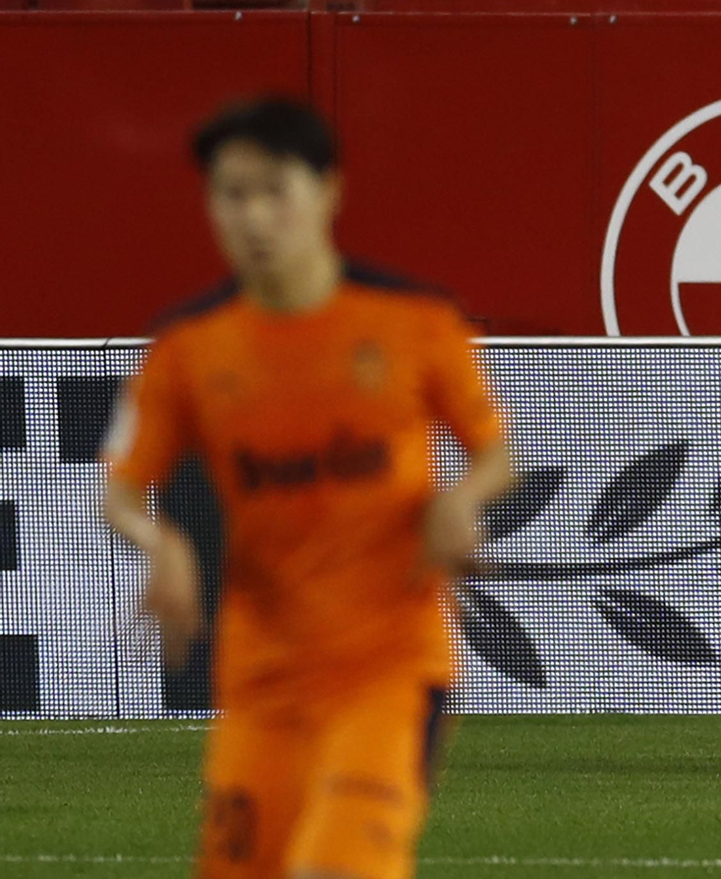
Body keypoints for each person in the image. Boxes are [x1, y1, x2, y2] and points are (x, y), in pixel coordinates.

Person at [101, 99, 513, 877]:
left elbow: (494, 451)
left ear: (327, 191)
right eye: (231, 193)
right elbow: (120, 488)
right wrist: (161, 540)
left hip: (388, 671)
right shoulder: (187, 349)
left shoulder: (415, 322)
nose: (253, 216)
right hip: (262, 680)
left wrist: (461, 501)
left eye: (273, 190)